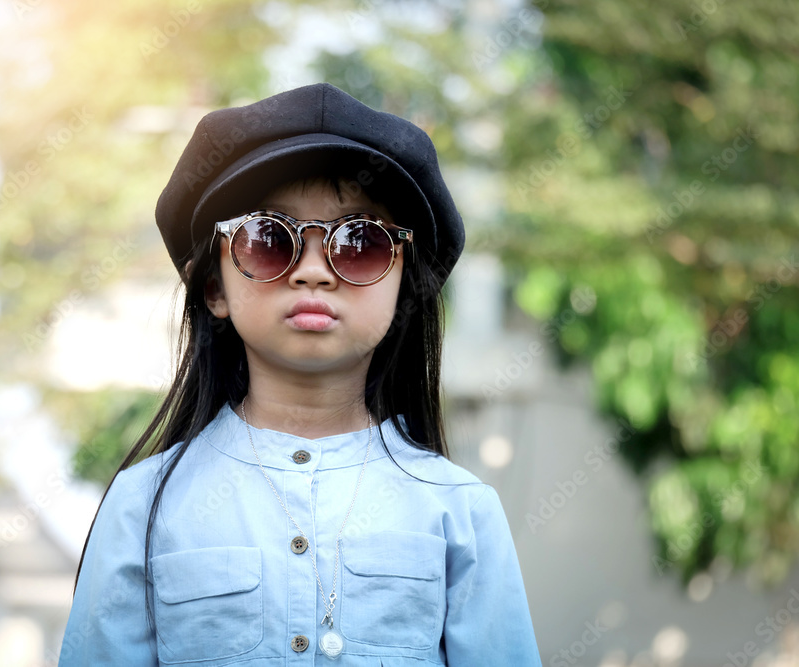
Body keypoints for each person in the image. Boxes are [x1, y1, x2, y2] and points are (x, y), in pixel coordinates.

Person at [59, 82, 541, 665]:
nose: (313, 271)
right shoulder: (142, 506)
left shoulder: (460, 510)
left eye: (359, 243)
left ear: (402, 287)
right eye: (270, 240)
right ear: (214, 286)